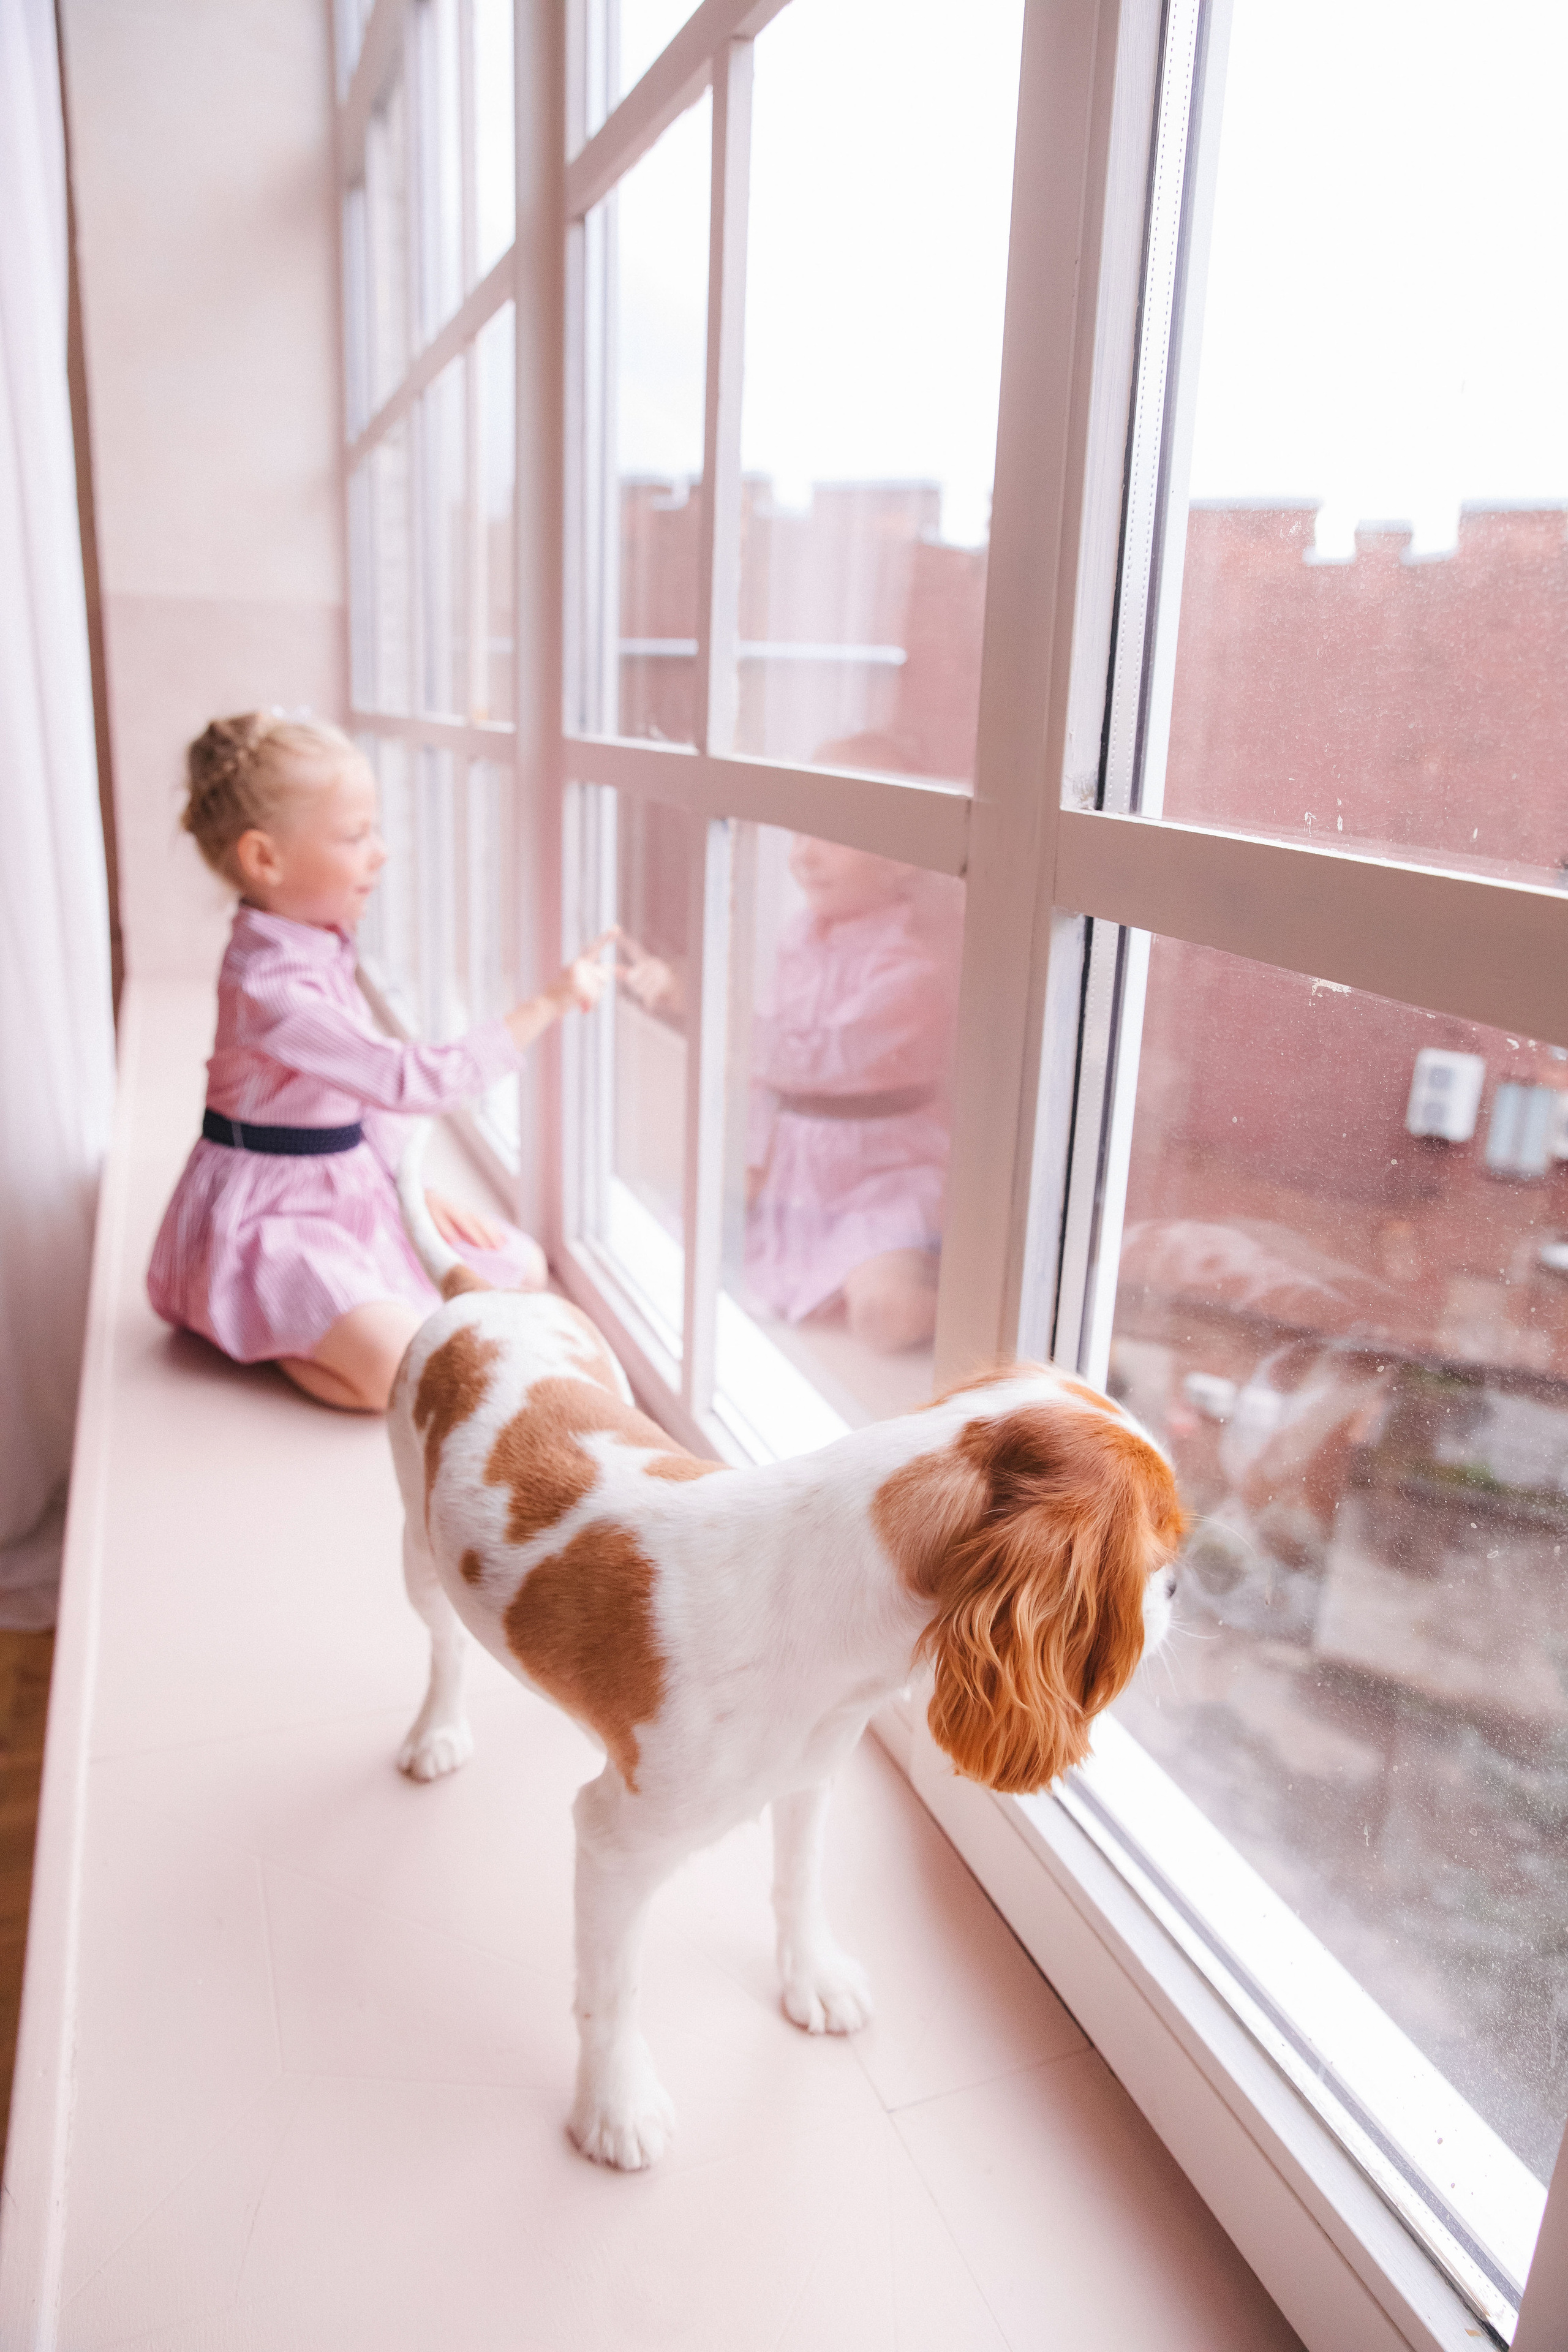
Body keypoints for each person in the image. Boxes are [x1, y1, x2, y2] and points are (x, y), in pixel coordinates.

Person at [148, 712, 611, 1411]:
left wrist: (410, 1191)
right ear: (265, 859)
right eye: (356, 835)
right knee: (398, 1371)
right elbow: (403, 1080)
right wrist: (546, 1003)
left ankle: (337, 1313)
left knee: (522, 1271)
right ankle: (260, 1319)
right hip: (274, 1213)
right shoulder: (271, 985)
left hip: (345, 1183)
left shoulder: (318, 941)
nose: (382, 853)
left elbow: (352, 1102)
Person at [742, 826, 961, 1354]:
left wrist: (703, 1006)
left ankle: (971, 1298)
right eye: (797, 835)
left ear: (900, 860)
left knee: (884, 1312)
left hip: (883, 1173)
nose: (804, 856)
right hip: (803, 1169)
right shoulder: (800, 935)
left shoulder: (913, 960)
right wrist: (756, 1157)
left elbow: (816, 1057)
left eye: (830, 837)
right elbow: (770, 1079)